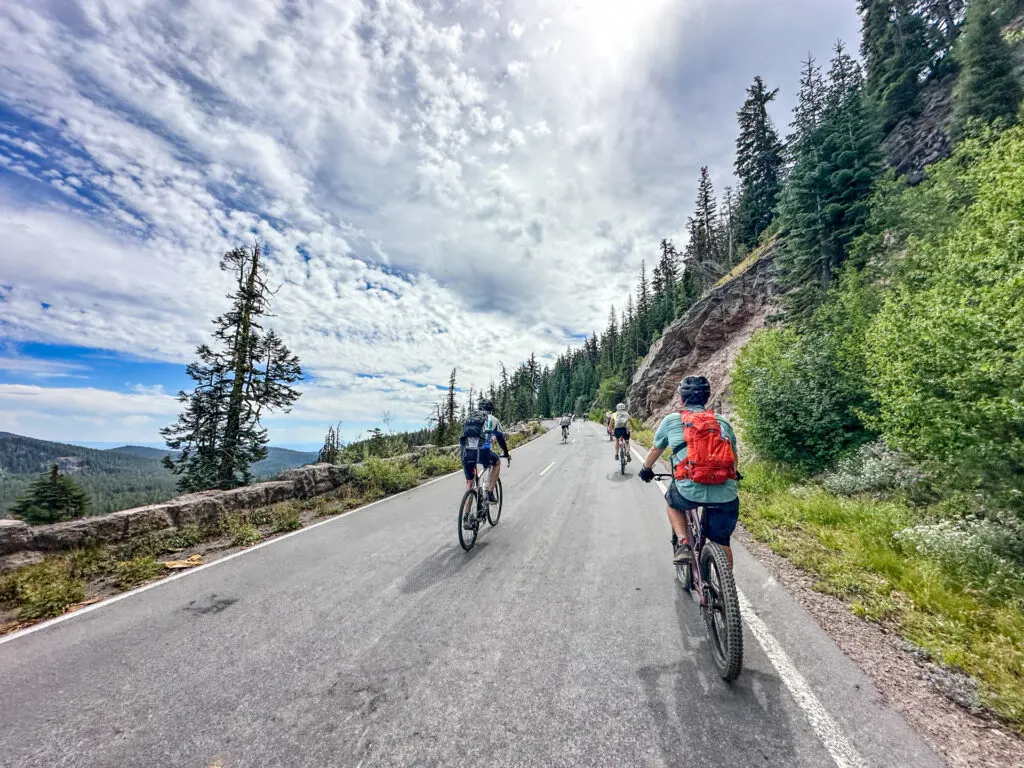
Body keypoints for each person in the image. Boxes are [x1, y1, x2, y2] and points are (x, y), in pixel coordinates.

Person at [638, 375, 739, 567]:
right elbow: (733, 457)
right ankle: (727, 591)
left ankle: (683, 543)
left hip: (688, 490)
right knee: (721, 540)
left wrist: (646, 469)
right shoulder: (722, 422)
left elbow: (655, 449)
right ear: (707, 398)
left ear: (682, 399)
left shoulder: (672, 420)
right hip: (725, 494)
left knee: (673, 504)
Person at [460, 399, 509, 503]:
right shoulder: (493, 419)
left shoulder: (469, 418)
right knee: (496, 463)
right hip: (482, 453)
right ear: (491, 409)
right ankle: (490, 494)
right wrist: (506, 453)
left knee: (470, 483)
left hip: (465, 453)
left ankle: (466, 515)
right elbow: (500, 439)